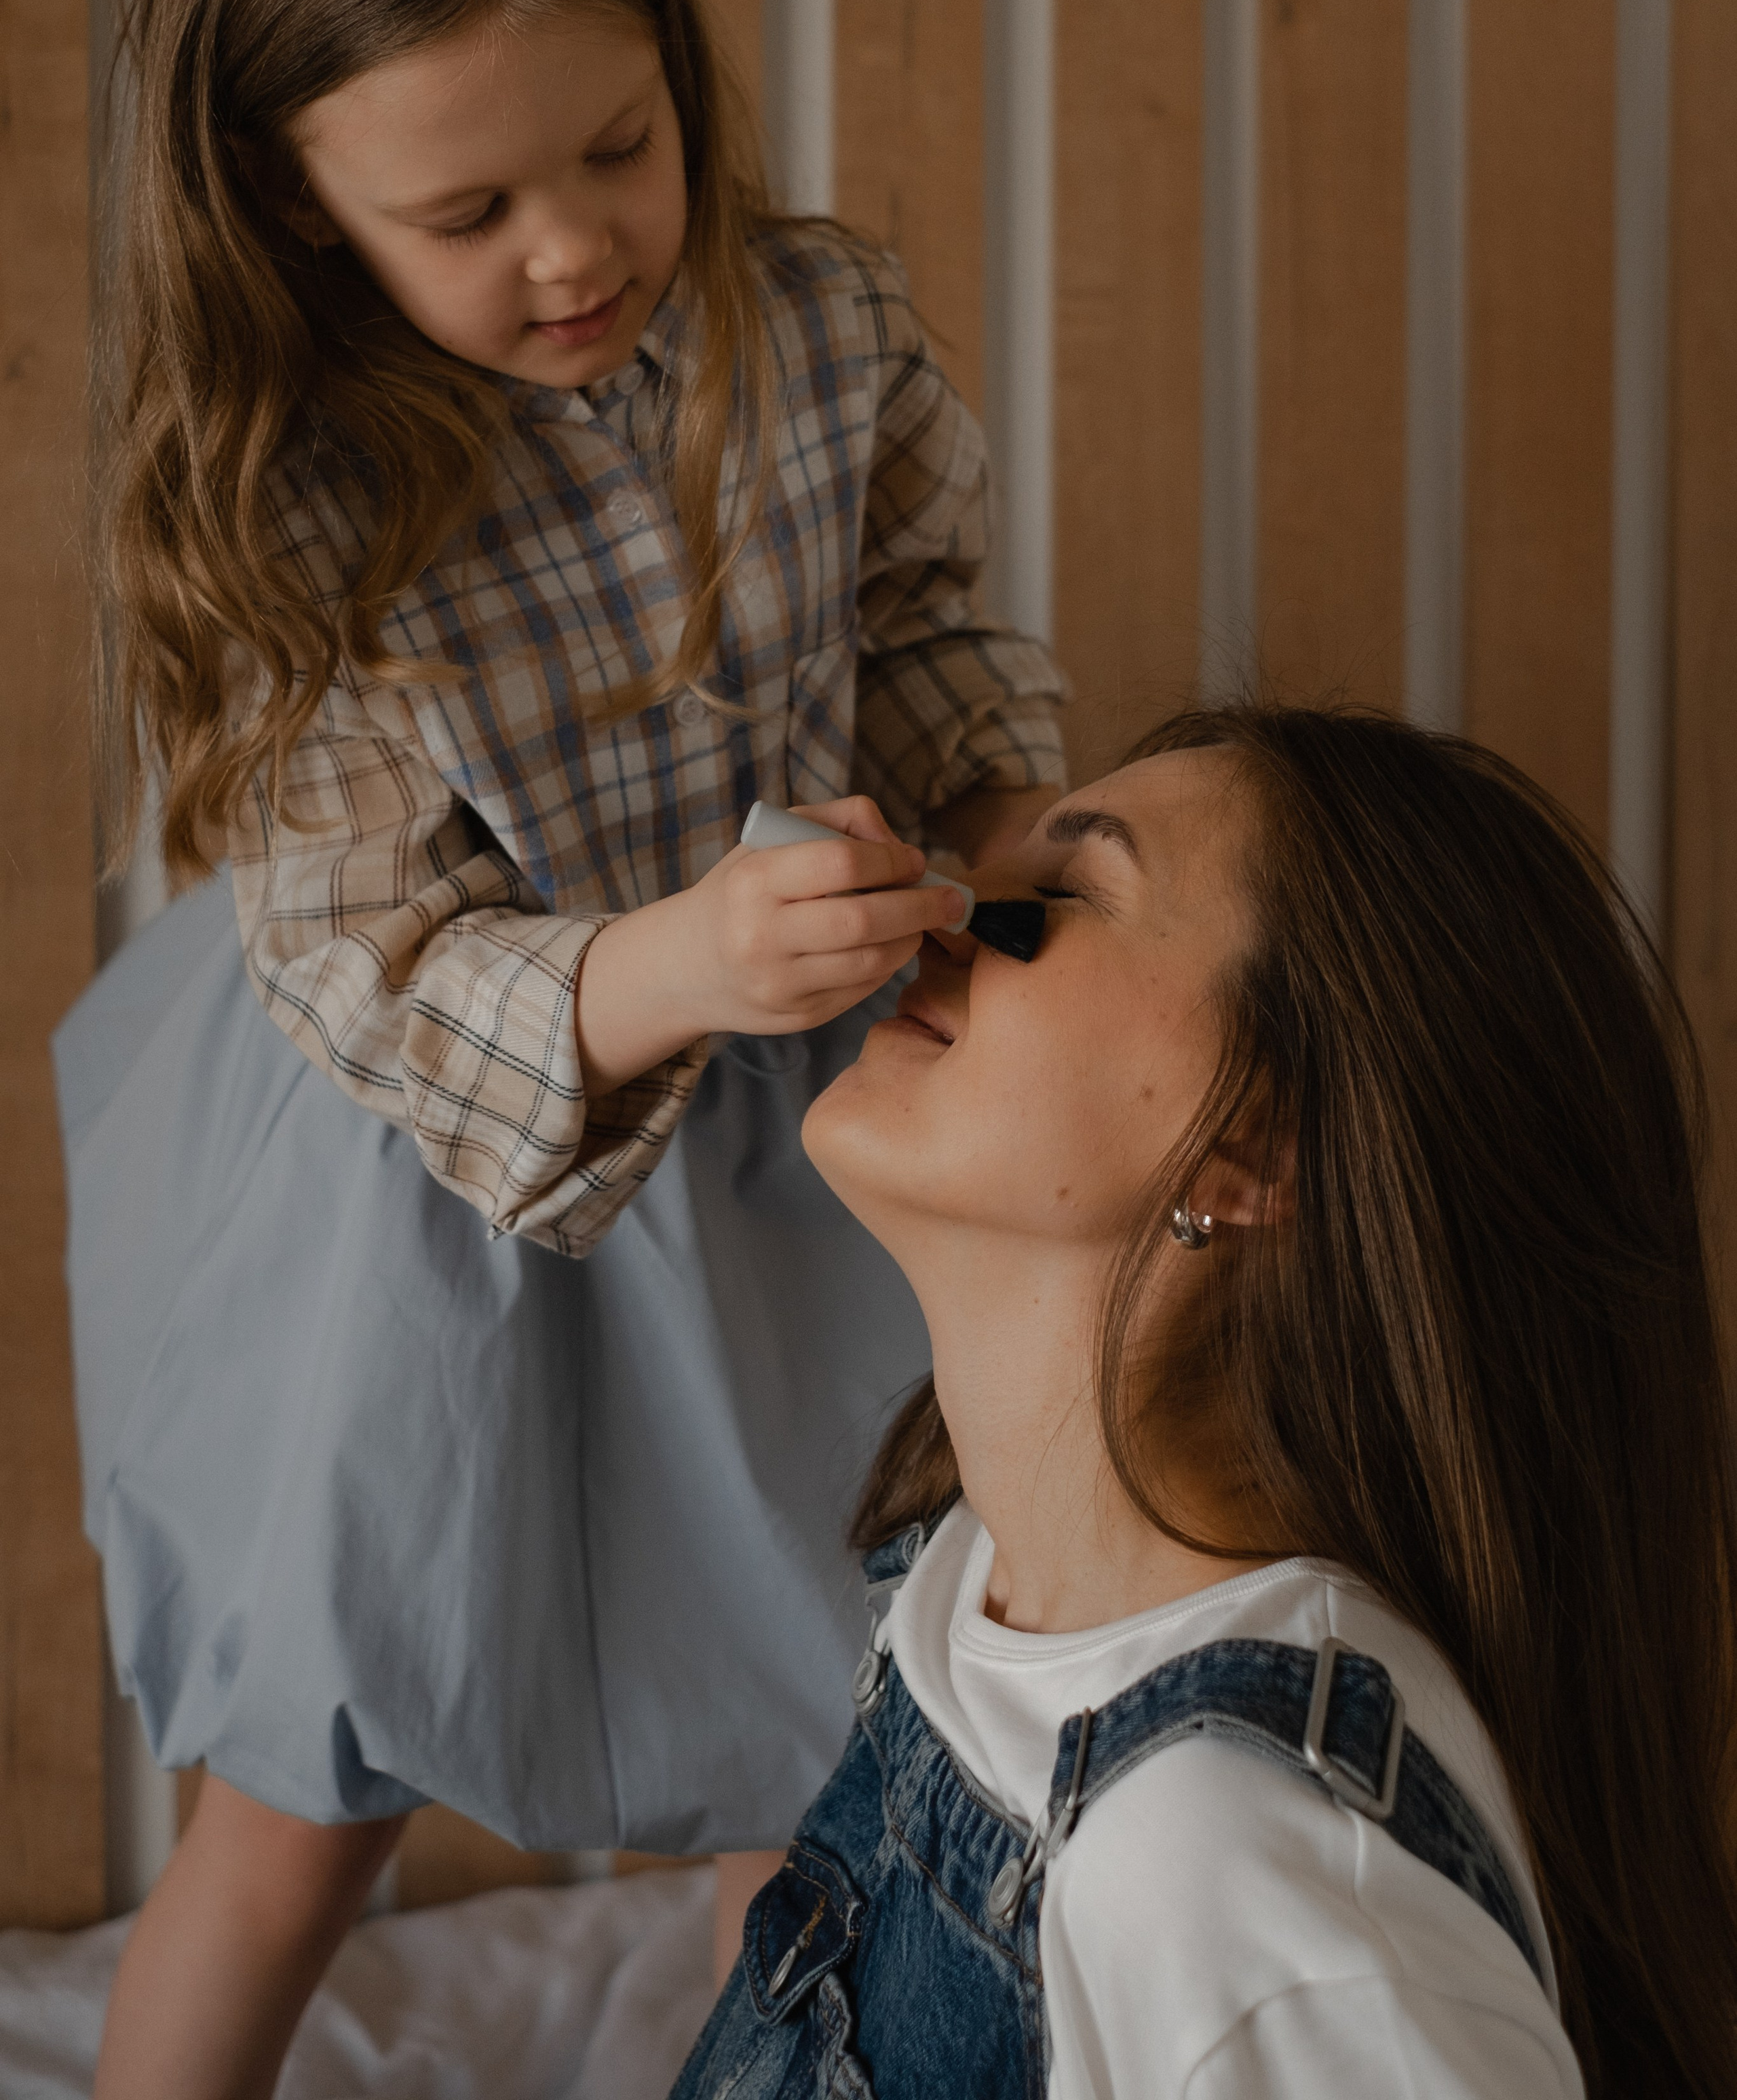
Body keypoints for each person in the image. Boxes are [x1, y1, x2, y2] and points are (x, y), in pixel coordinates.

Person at [57, 0, 1065, 2100]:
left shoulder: (810, 330)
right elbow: (370, 962)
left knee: (813, 1740)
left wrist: (1003, 807)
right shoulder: (297, 500)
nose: (579, 242)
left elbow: (922, 617)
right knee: (303, 1800)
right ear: (298, 196)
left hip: (778, 1147)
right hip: (415, 1182)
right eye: (469, 211)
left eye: (621, 146)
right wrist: (666, 963)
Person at [676, 704, 1737, 2099]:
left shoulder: (1240, 1876)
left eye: (1060, 893)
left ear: (1249, 1144)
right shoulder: (975, 1572)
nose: (944, 922)